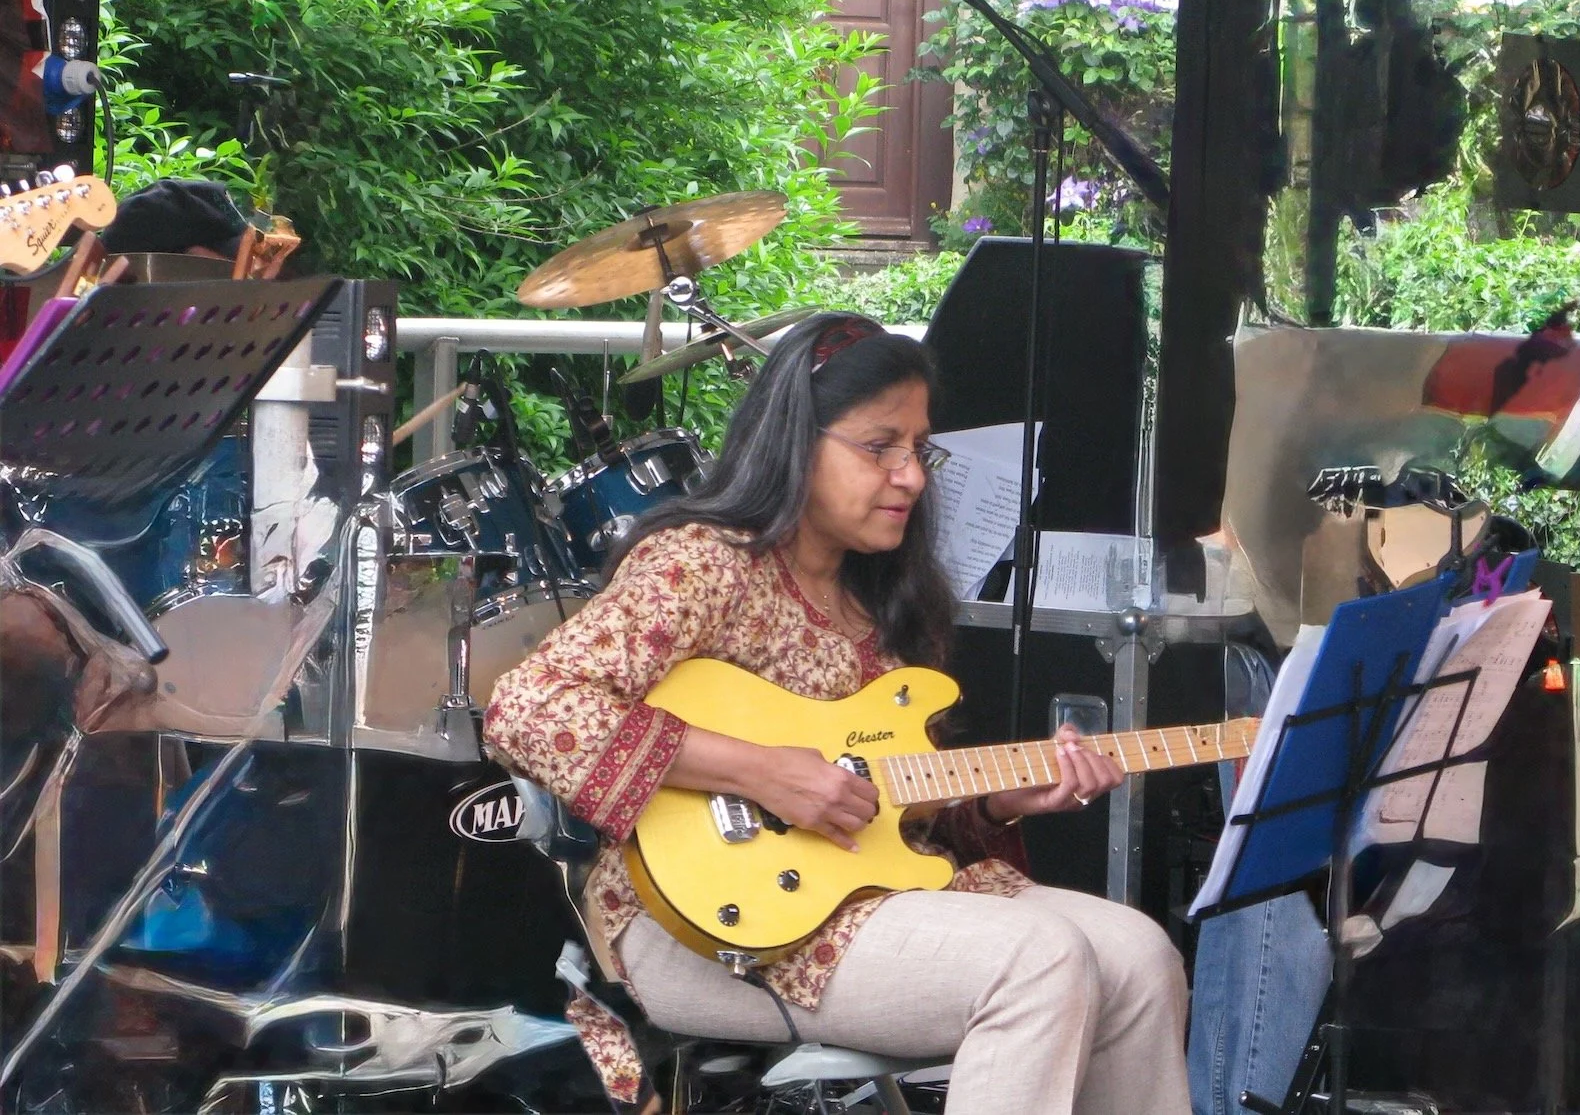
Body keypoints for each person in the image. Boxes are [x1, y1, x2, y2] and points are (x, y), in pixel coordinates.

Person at [484, 313, 1192, 1114]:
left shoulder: (881, 597)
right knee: (1037, 959)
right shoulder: (703, 563)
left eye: (918, 450)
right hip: (702, 930)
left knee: (1139, 955)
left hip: (870, 900)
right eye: (878, 447)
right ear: (795, 441)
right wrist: (767, 773)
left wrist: (996, 801)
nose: (911, 477)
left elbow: (885, 809)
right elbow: (530, 708)